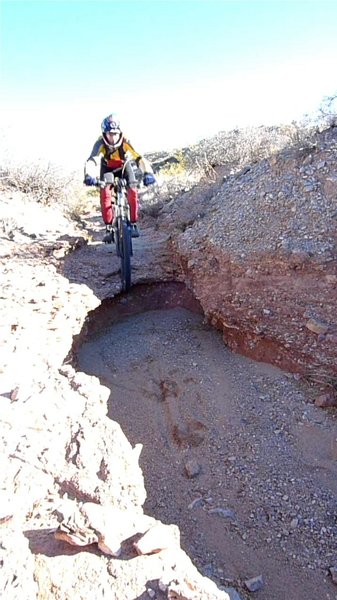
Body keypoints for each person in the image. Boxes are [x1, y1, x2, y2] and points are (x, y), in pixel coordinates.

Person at [84, 113, 156, 242]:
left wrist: (148, 173)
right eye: (110, 134)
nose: (113, 137)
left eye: (115, 133)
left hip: (124, 166)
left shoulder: (126, 141)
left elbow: (139, 158)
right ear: (104, 133)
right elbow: (92, 160)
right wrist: (89, 175)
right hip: (108, 168)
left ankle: (133, 223)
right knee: (105, 193)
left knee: (133, 190)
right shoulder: (100, 143)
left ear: (120, 132)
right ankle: (109, 228)